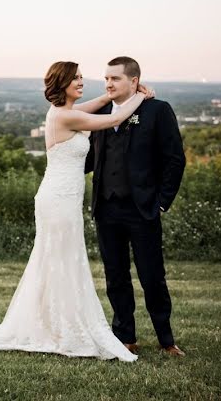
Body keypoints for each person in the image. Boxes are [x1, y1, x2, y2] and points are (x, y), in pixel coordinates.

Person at [0, 61, 152, 361]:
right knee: (61, 260)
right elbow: (116, 117)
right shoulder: (64, 116)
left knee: (60, 261)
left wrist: (123, 93)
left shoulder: (68, 111)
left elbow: (101, 103)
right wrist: (139, 95)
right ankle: (61, 329)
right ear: (62, 84)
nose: (82, 82)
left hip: (65, 199)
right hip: (57, 200)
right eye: (75, 79)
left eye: (82, 77)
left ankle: (54, 325)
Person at [84, 56, 186, 357]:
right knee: (116, 277)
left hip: (143, 209)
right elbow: (91, 157)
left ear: (134, 81)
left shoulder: (157, 110)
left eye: (114, 79)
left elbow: (174, 159)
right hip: (106, 208)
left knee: (152, 276)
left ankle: (166, 340)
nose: (108, 84)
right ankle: (125, 337)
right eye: (105, 79)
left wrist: (163, 203)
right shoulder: (100, 111)